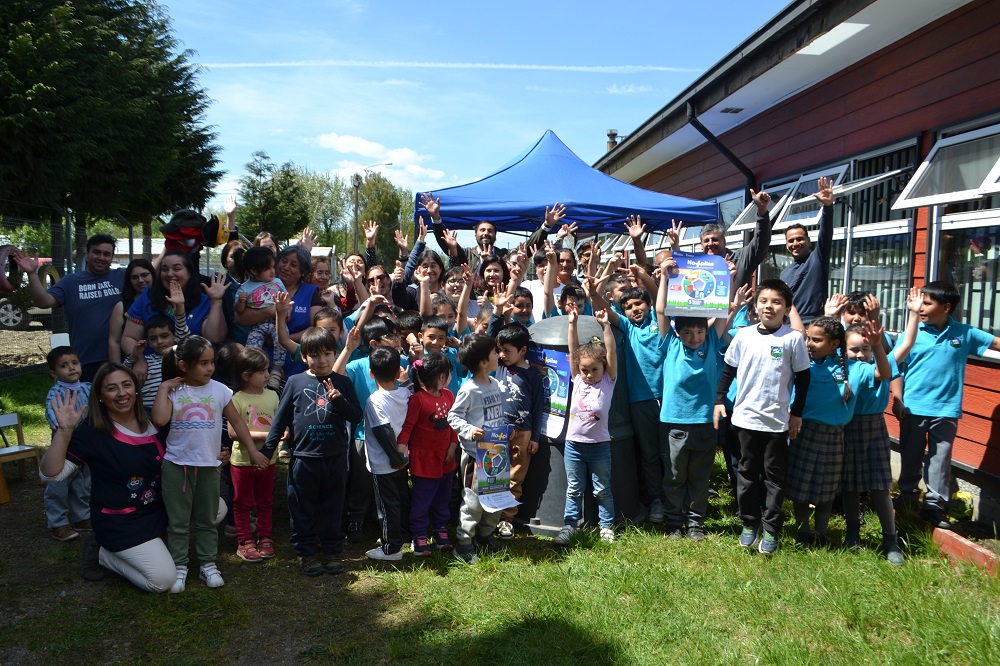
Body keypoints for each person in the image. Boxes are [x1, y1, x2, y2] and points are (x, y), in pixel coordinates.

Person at [40, 364, 175, 592]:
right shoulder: (92, 432)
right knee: (162, 581)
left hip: (162, 509)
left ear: (136, 388)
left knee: (216, 508)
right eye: (111, 388)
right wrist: (64, 433)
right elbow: (50, 475)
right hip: (121, 521)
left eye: (127, 385)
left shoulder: (157, 418)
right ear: (100, 397)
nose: (122, 393)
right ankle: (102, 553)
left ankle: (156, 540)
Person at [151, 336, 267, 593]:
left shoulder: (220, 391)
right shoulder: (173, 391)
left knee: (207, 520)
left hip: (209, 466)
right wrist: (162, 389)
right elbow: (159, 419)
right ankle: (180, 566)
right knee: (178, 523)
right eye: (203, 363)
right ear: (183, 365)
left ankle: (207, 563)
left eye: (211, 362)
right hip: (176, 466)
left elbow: (238, 423)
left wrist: (252, 451)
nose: (210, 368)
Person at [714, 279, 811, 555]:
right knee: (745, 473)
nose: (770, 306)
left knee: (774, 477)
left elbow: (804, 379)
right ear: (756, 306)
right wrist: (719, 400)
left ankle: (771, 527)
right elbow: (728, 370)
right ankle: (749, 522)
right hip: (744, 420)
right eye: (765, 301)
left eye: (777, 302)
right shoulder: (743, 335)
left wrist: (797, 414)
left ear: (787, 308)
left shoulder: (792, 339)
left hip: (777, 423)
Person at [894, 280, 1000, 529]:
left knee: (940, 460)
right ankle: (907, 498)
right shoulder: (913, 334)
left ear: (946, 307)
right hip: (913, 407)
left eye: (927, 303)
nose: (920, 307)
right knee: (910, 455)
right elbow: (896, 367)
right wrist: (897, 399)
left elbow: (995, 343)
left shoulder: (964, 333)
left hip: (946, 409)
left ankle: (934, 506)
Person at [258, 327, 363, 576]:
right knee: (302, 508)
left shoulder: (343, 382)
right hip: (304, 459)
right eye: (315, 355)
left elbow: (356, 416)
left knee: (333, 507)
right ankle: (306, 554)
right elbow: (280, 420)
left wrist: (338, 399)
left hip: (335, 458)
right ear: (304, 357)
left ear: (334, 353)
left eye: (327, 353)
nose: (322, 360)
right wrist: (267, 450)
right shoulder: (295, 382)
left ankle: (332, 551)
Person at [654, 258, 744, 540]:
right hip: (674, 421)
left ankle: (695, 524)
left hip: (706, 421)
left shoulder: (712, 343)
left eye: (699, 331)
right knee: (674, 475)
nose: (695, 337)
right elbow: (660, 310)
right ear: (678, 332)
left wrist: (726, 280)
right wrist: (666, 279)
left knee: (699, 477)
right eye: (688, 332)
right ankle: (673, 524)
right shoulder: (670, 342)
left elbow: (720, 311)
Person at [787, 317, 889, 548]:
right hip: (802, 432)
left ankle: (821, 533)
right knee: (799, 488)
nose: (809, 344)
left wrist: (877, 346)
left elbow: (883, 373)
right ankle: (803, 531)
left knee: (827, 489)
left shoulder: (853, 368)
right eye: (807, 339)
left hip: (833, 436)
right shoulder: (802, 364)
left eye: (816, 340)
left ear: (834, 344)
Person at [841, 318, 909, 565]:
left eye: (865, 349)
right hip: (847, 427)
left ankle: (890, 539)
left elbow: (905, 345)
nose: (860, 354)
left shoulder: (880, 365)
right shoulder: (842, 369)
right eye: (854, 349)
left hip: (873, 429)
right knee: (850, 484)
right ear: (844, 350)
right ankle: (852, 532)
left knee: (880, 486)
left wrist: (878, 345)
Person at [13, 234, 126, 381]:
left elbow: (150, 274)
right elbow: (44, 302)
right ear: (87, 252)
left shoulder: (123, 276)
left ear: (112, 257)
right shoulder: (70, 282)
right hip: (85, 361)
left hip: (120, 358)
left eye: (107, 254)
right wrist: (32, 274)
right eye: (96, 252)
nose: (101, 257)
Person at [553, 308, 619, 546]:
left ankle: (606, 526)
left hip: (600, 445)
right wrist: (573, 324)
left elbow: (610, 350)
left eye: (594, 370)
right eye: (585, 370)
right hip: (574, 446)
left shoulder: (608, 381)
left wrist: (606, 326)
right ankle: (570, 525)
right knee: (574, 489)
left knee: (602, 489)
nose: (589, 375)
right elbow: (573, 351)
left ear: (603, 369)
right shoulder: (577, 379)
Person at [447, 333, 505, 564]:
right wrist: (470, 430)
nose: (499, 355)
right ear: (483, 362)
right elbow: (453, 416)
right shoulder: (469, 389)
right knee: (473, 501)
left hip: (497, 452)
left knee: (497, 496)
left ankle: (486, 535)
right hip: (476, 455)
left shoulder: (496, 384)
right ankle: (463, 543)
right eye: (494, 352)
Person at [398, 352, 458, 555]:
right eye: (449, 373)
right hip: (424, 460)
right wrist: (401, 451)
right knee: (422, 499)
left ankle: (440, 529)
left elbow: (454, 425)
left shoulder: (449, 395)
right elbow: (407, 428)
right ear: (441, 376)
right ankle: (419, 533)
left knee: (443, 496)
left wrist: (452, 445)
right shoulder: (418, 400)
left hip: (446, 459)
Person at [121, 250, 229, 359]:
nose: (169, 274)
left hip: (193, 369)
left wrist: (216, 300)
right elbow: (129, 338)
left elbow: (215, 338)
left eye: (176, 269)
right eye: (164, 269)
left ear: (189, 273)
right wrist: (138, 360)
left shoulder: (204, 301)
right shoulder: (147, 297)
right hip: (153, 371)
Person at [227, 347, 280, 563]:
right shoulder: (236, 399)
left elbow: (279, 422)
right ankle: (245, 541)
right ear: (246, 376)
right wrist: (270, 434)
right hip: (242, 462)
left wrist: (282, 432)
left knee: (265, 501)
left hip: (269, 460)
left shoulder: (273, 395)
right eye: (261, 372)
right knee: (242, 502)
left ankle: (265, 537)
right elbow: (232, 432)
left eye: (267, 370)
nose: (267, 375)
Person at [237, 246, 323, 378]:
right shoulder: (254, 287)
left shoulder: (311, 292)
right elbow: (239, 319)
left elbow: (316, 329)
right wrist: (269, 311)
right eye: (283, 261)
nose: (286, 267)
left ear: (303, 272)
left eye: (293, 265)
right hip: (259, 368)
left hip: (297, 367)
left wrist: (284, 339)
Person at [493, 323, 543, 540]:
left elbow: (538, 407)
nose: (502, 355)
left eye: (508, 351)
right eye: (500, 350)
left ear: (523, 351)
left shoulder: (533, 375)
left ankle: (506, 519)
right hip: (498, 430)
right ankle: (489, 517)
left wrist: (535, 437)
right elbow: (490, 335)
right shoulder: (499, 367)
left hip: (524, 433)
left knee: (515, 478)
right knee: (494, 474)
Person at [363, 347, 412, 561]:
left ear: (371, 373)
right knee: (402, 499)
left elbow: (383, 432)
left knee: (386, 506)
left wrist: (394, 459)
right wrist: (401, 459)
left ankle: (391, 548)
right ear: (397, 372)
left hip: (385, 463)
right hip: (403, 458)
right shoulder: (405, 393)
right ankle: (404, 535)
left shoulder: (374, 400)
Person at [42, 347, 92, 542]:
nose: (71, 368)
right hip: (63, 446)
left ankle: (82, 518)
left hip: (85, 445)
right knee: (58, 485)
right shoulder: (55, 393)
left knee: (83, 483)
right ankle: (58, 523)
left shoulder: (88, 387)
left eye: (74, 363)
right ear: (54, 373)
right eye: (64, 365)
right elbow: (52, 414)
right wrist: (61, 427)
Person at [780, 177, 835, 324]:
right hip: (789, 327)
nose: (795, 243)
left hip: (814, 325)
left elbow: (826, 233)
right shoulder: (784, 273)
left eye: (800, 239)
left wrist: (828, 207)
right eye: (791, 241)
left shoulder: (817, 259)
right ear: (786, 245)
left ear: (808, 241)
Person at [233, 246, 287, 390]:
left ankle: (276, 371)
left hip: (277, 323)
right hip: (257, 326)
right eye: (267, 268)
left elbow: (287, 301)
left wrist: (287, 310)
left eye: (273, 267)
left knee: (281, 340)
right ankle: (253, 373)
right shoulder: (244, 289)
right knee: (252, 348)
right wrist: (241, 302)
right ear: (253, 270)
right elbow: (238, 312)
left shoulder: (278, 282)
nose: (273, 271)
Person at [123, 314, 187, 410]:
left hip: (180, 411)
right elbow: (123, 376)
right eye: (153, 339)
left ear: (174, 336)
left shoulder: (184, 359)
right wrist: (133, 356)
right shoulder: (145, 363)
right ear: (148, 342)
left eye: (164, 336)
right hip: (149, 412)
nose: (159, 341)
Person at [108, 258, 155, 364]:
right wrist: (117, 369)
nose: (140, 280)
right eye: (134, 277)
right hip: (133, 364)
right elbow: (114, 341)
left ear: (153, 275)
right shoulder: (121, 306)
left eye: (144, 275)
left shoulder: (164, 301)